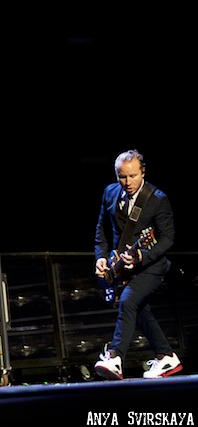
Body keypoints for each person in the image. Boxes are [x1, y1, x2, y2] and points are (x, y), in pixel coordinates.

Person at [93, 150, 181, 379]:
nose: (128, 182)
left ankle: (115, 357)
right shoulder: (110, 193)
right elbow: (102, 230)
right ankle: (167, 357)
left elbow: (168, 238)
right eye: (122, 177)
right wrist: (101, 257)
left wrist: (142, 256)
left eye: (133, 176)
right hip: (121, 267)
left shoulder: (157, 199)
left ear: (143, 172)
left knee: (128, 301)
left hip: (152, 266)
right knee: (139, 310)